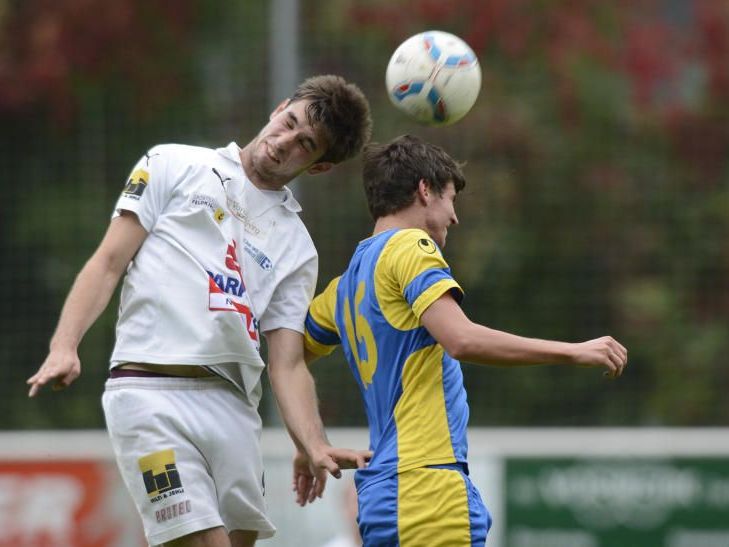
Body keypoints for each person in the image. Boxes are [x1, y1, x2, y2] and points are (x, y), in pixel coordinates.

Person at [26, 74, 373, 547]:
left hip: (232, 407)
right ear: (278, 108)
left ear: (318, 167)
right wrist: (65, 346)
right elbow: (108, 263)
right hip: (149, 393)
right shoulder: (172, 163)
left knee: (231, 540)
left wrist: (311, 442)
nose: (284, 142)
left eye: (305, 144)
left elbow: (287, 363)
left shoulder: (298, 248)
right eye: (289, 123)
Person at [303, 134, 628, 546]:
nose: (454, 217)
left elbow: (288, 358)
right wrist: (573, 351)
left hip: (383, 497)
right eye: (450, 199)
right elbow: (461, 339)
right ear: (424, 190)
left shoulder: (344, 286)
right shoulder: (409, 246)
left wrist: (306, 440)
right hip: (429, 492)